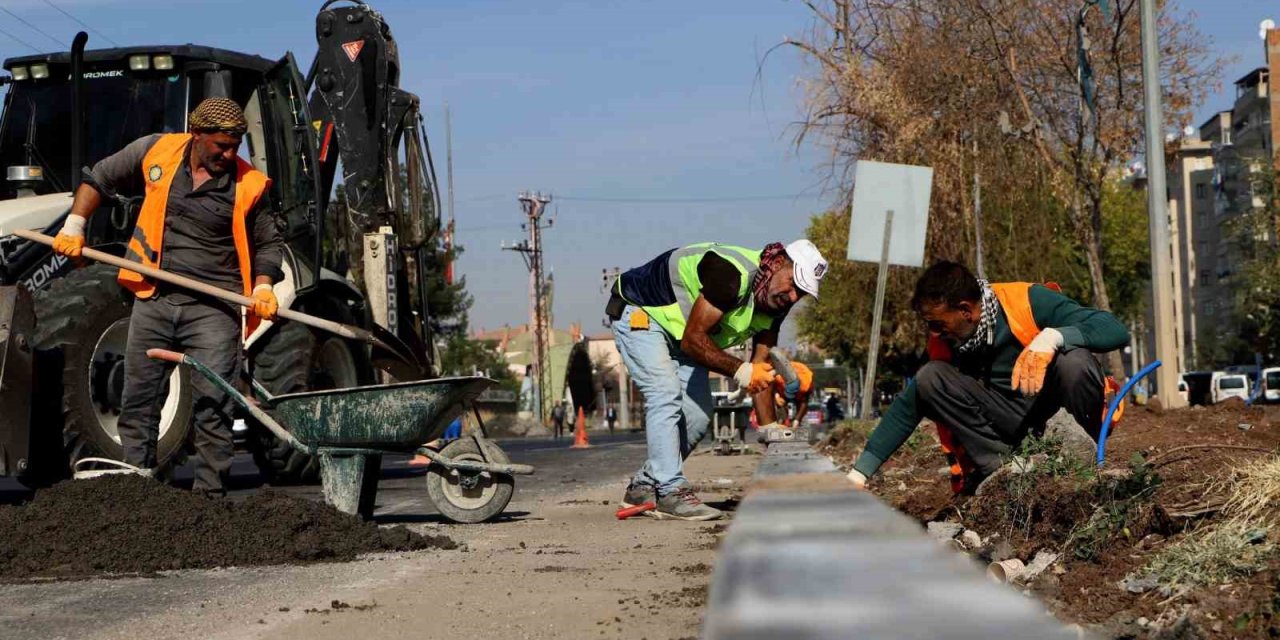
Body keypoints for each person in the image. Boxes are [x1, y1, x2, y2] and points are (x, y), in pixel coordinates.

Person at [51, 97, 282, 496]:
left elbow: (268, 243)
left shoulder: (250, 185)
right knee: (138, 400)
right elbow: (99, 178)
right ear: (197, 135)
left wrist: (263, 285)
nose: (229, 155)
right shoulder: (156, 151)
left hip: (214, 307)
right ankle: (138, 491)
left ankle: (209, 499)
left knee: (213, 407)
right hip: (154, 298)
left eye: (235, 146)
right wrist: (74, 225)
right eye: (220, 146)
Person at [846, 261, 1129, 494]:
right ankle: (1004, 474)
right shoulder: (945, 344)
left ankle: (1084, 459)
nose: (934, 332)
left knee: (1074, 360)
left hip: (1057, 412)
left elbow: (1114, 329)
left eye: (937, 323)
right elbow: (908, 406)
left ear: (966, 310)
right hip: (1011, 423)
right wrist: (859, 474)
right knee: (929, 377)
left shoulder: (1026, 302)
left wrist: (1056, 336)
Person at [609, 240, 827, 520]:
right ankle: (670, 491)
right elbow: (693, 341)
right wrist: (740, 370)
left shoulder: (776, 306)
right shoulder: (731, 275)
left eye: (803, 293)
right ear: (776, 263)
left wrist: (770, 427)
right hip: (641, 311)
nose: (794, 297)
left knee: (698, 417)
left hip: (685, 335)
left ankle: (644, 485)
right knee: (665, 393)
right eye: (794, 284)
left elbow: (759, 369)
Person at [771, 361, 813, 426]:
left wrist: (797, 420)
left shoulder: (805, 384)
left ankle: (799, 423)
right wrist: (776, 395)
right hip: (782, 386)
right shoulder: (778, 378)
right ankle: (782, 420)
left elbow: (804, 402)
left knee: (800, 418)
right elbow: (771, 387)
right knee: (780, 403)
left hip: (801, 387)